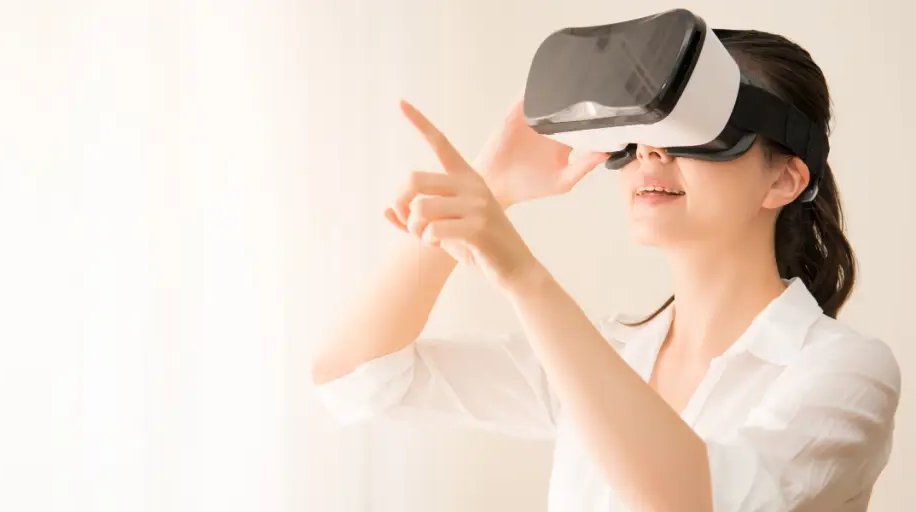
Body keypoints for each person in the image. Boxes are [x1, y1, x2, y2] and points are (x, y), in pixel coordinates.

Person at [309, 29, 901, 511]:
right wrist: (487, 191)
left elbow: (702, 500)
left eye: (696, 129)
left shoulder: (845, 370)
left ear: (784, 179)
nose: (651, 151)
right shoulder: (606, 356)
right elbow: (353, 379)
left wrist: (521, 273)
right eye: (643, 129)